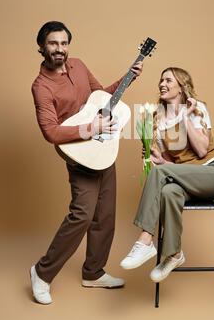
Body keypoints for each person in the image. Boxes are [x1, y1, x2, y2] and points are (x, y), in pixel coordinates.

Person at [30, 21, 143, 304]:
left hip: (103, 148)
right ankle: (42, 274)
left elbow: (103, 97)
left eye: (64, 43)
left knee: (105, 214)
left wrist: (128, 77)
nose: (60, 49)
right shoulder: (41, 86)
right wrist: (90, 129)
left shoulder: (78, 66)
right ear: (42, 47)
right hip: (77, 153)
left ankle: (93, 272)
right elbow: (51, 132)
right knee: (82, 214)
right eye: (53, 44)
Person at [120, 67, 214, 283]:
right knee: (168, 191)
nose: (162, 83)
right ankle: (175, 254)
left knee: (163, 175)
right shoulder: (157, 120)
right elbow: (173, 164)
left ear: (181, 86)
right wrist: (160, 160)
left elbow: (201, 151)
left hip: (211, 174)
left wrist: (185, 117)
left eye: (168, 80)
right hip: (185, 181)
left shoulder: (197, 109)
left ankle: (145, 240)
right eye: (160, 80)